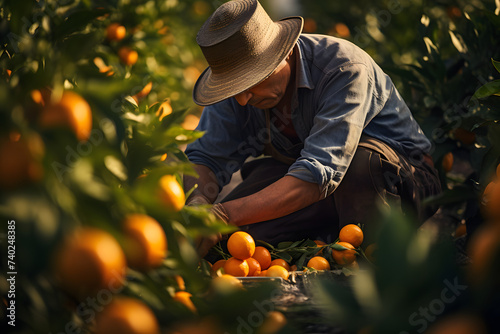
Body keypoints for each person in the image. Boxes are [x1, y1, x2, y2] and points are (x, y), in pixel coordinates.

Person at [183, 0, 441, 257]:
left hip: (398, 178)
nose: (242, 99)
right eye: (235, 89)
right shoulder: (239, 93)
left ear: (283, 52)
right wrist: (198, 204)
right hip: (312, 183)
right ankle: (328, 238)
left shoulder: (342, 68)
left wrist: (226, 213)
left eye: (251, 82)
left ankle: (381, 255)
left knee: (363, 165)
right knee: (228, 244)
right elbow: (205, 158)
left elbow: (317, 174)